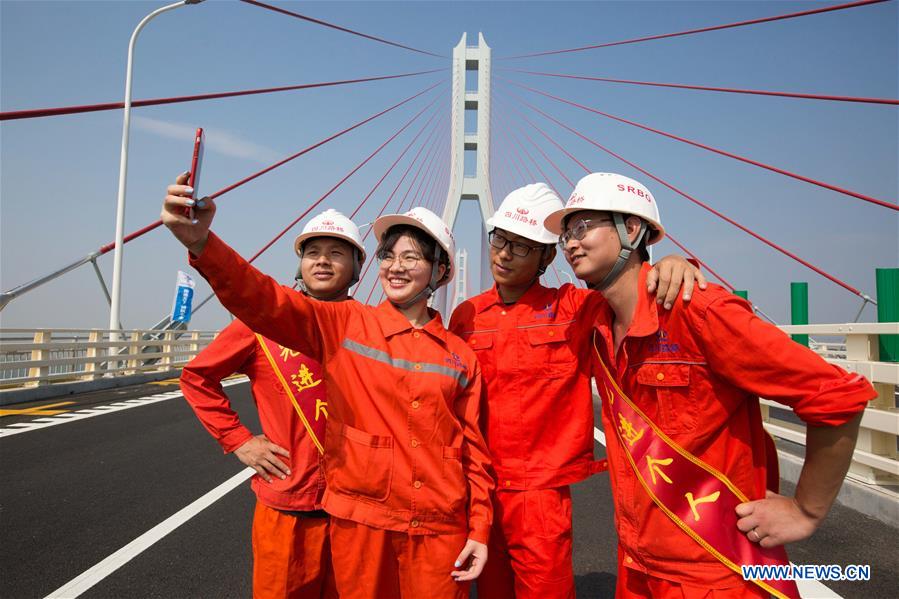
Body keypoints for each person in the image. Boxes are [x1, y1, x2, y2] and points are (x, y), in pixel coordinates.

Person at [544, 172, 876, 599]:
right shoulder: (595, 325)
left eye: (584, 226)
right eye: (566, 232)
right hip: (636, 565)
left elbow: (839, 395)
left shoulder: (699, 312)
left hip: (718, 571)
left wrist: (806, 510)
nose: (570, 243)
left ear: (631, 228)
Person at [161, 178, 492, 599]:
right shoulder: (345, 326)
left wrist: (480, 528)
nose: (395, 266)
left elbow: (474, 453)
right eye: (388, 255)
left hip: (438, 528)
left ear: (442, 271)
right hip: (362, 524)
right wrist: (204, 245)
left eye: (412, 257)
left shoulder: (461, 357)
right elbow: (265, 299)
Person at [448, 183, 705, 598]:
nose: (503, 253)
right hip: (480, 488)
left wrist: (672, 263)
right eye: (500, 240)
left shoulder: (574, 309)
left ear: (548, 256)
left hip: (542, 495)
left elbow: (630, 297)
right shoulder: (467, 316)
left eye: (521, 245)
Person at [180, 208, 363, 598]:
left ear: (357, 266)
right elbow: (197, 377)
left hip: (355, 511)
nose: (323, 261)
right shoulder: (260, 322)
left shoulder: (371, 326)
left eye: (337, 252)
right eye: (313, 252)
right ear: (300, 264)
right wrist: (239, 440)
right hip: (287, 507)